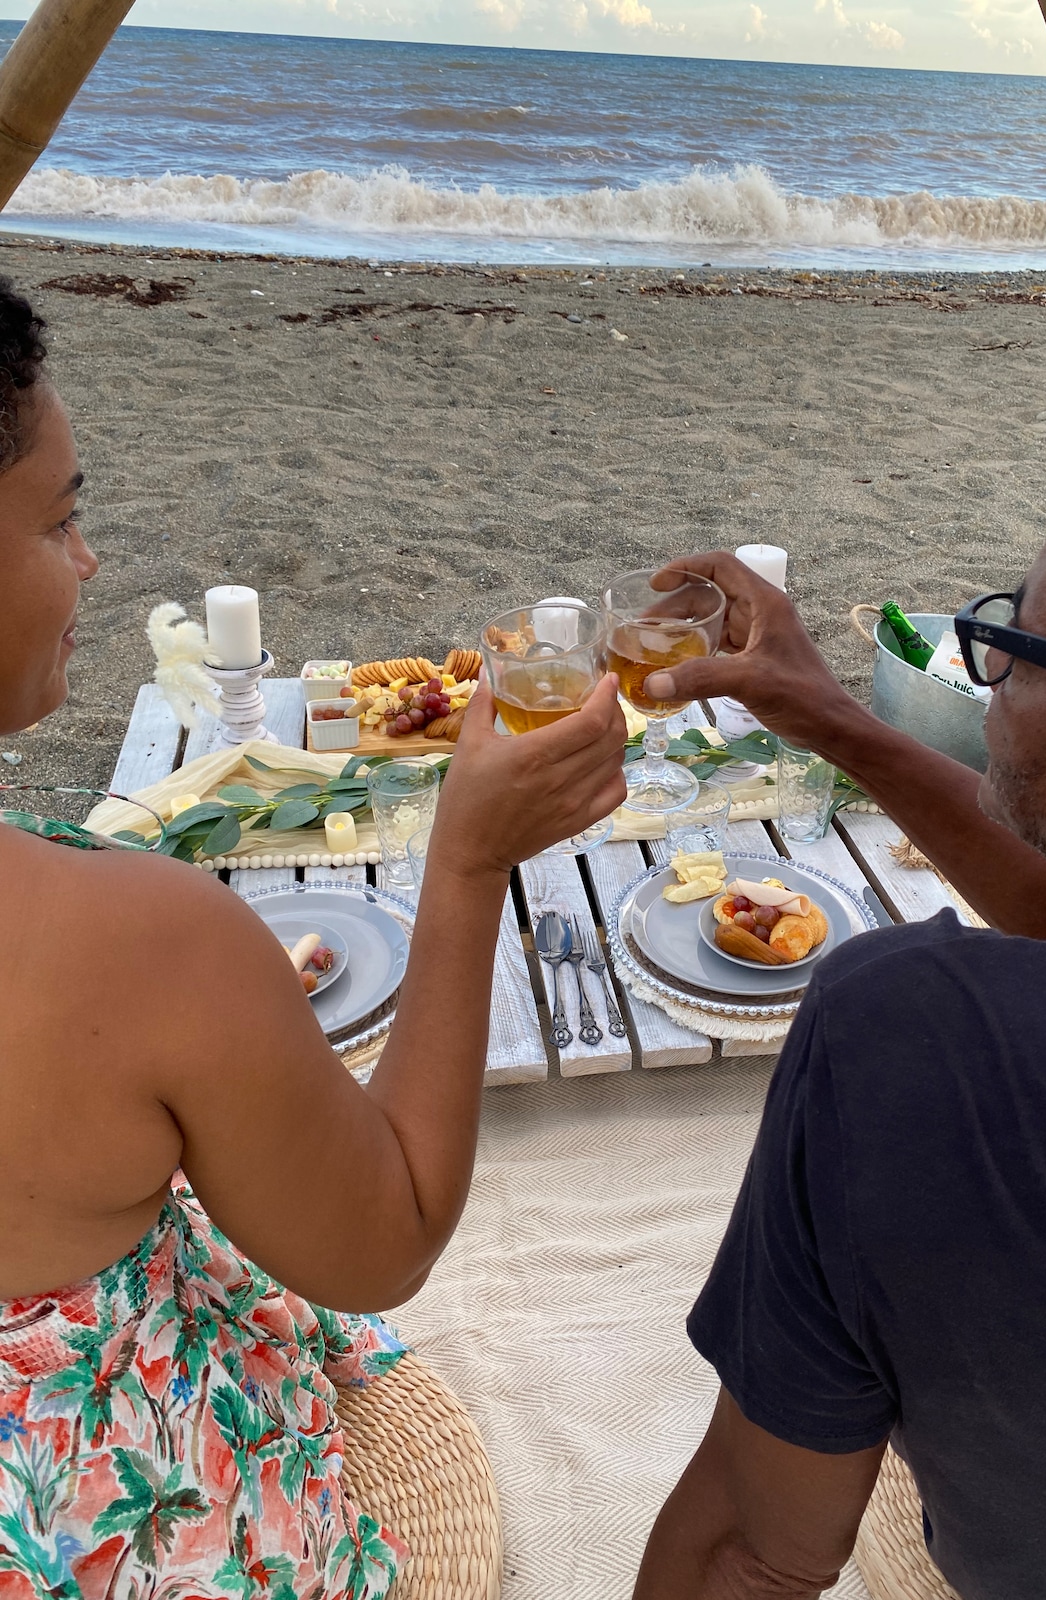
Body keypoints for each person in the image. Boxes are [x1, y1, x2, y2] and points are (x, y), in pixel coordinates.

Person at [0, 279, 628, 1599]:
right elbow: (380, 1243)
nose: (91, 562)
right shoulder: (144, 946)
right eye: (63, 519)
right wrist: (465, 862)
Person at [632, 434, 1046, 1600]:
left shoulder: (909, 1036)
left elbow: (753, 1552)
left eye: (1017, 645)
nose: (986, 669)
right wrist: (831, 717)